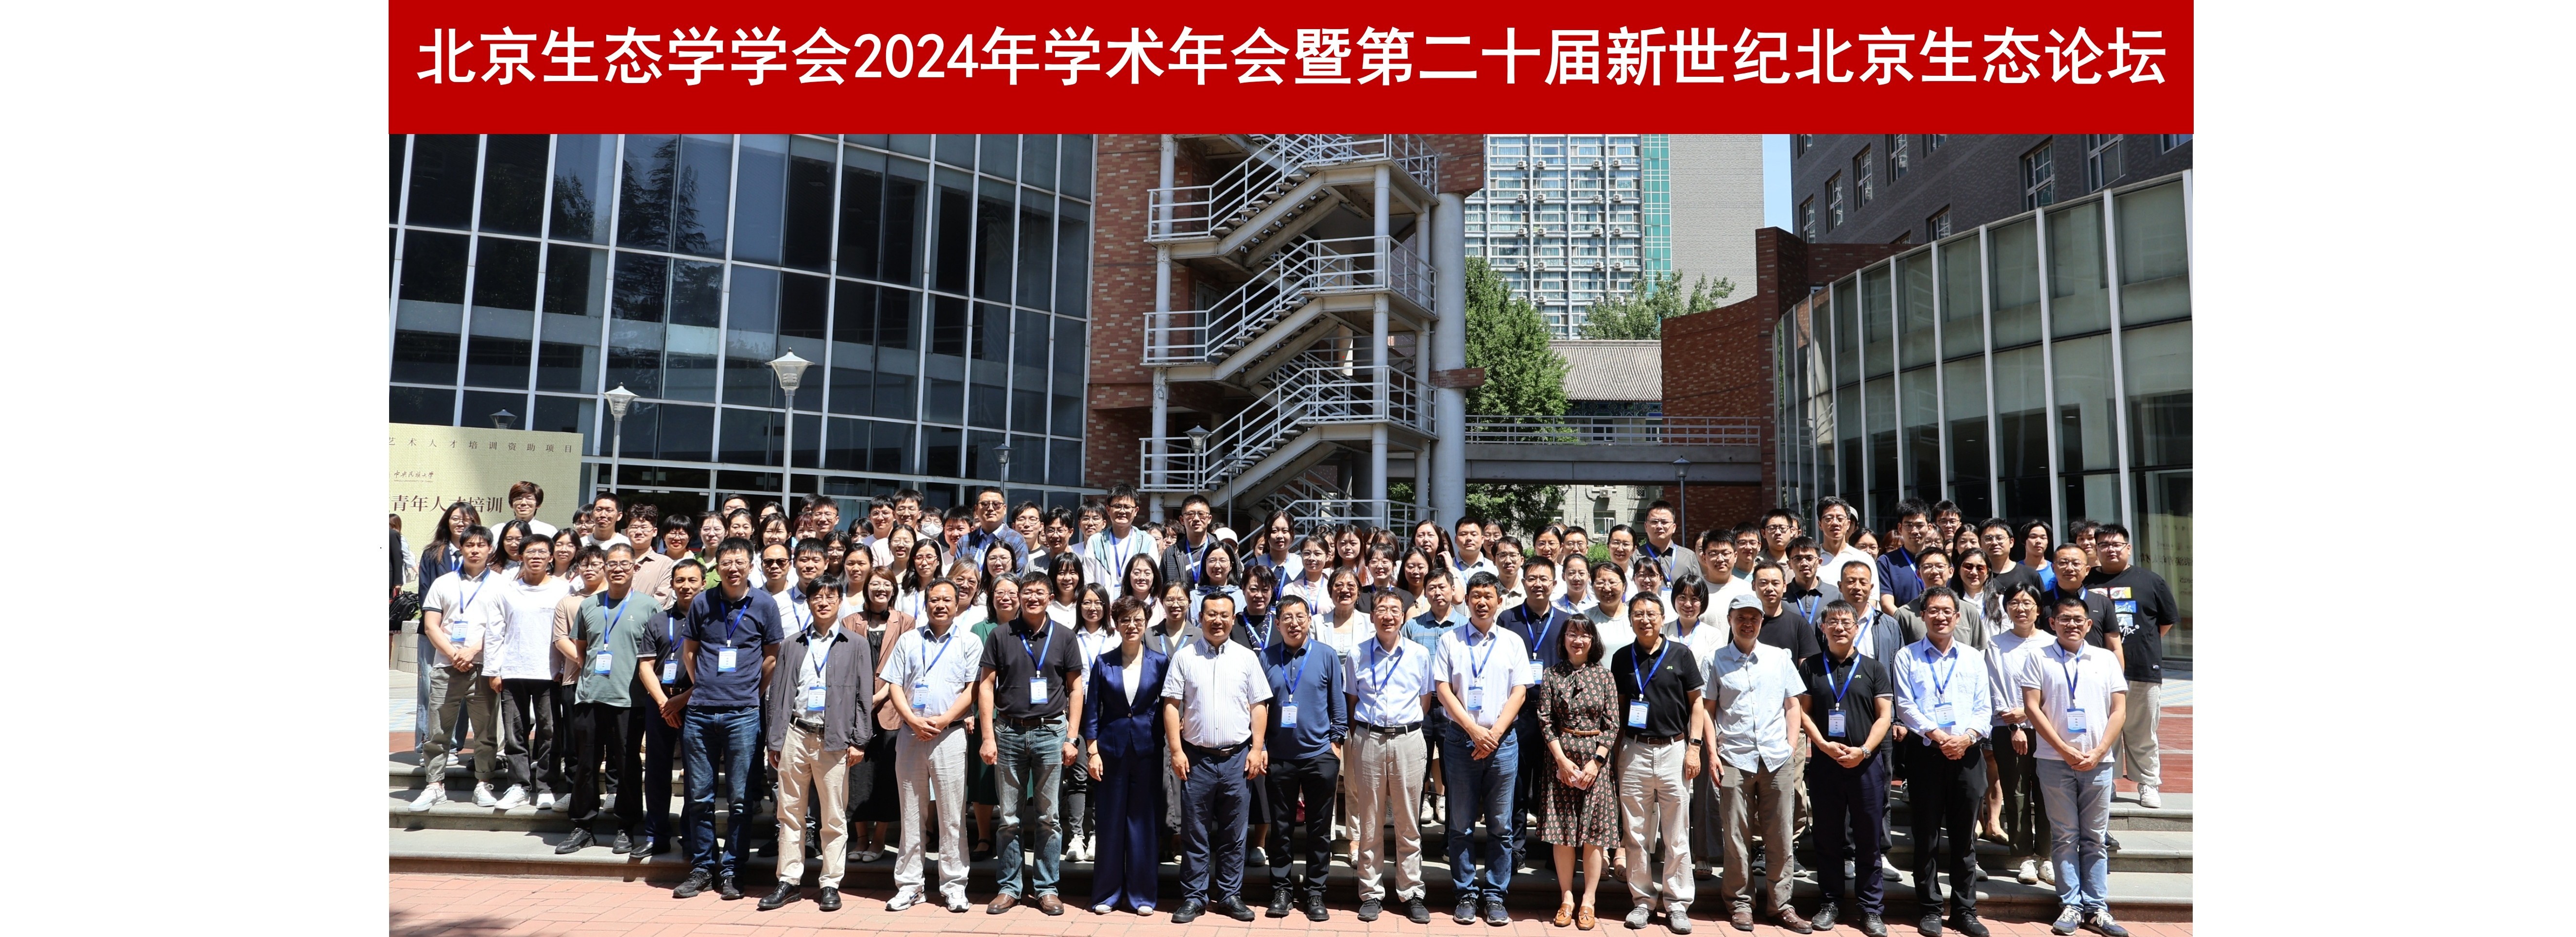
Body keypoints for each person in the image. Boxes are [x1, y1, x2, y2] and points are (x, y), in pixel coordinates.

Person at [670, 538, 786, 902]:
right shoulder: (703, 602)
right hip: (701, 712)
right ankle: (703, 867)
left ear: (751, 565)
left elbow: (772, 656)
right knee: (699, 797)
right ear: (716, 567)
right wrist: (704, 685)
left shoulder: (765, 604)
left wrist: (751, 691)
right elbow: (690, 652)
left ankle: (733, 869)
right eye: (726, 562)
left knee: (739, 799)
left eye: (739, 562)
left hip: (743, 714)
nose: (733, 568)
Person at [758, 575, 875, 913]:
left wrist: (859, 740)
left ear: (840, 602)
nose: (823, 602)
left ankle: (830, 883)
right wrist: (775, 739)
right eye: (817, 597)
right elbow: (778, 695)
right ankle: (789, 880)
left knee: (833, 815)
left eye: (830, 597)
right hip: (795, 733)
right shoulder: (792, 643)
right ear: (808, 602)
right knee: (790, 812)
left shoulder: (855, 644)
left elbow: (863, 695)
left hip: (834, 738)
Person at [976, 572, 1089, 916]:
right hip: (1009, 732)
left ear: (1050, 597)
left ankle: (1046, 888)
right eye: (1027, 592)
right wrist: (987, 736)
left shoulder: (1065, 636)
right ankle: (1009, 887)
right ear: (1019, 596)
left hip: (1051, 732)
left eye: (1040, 592)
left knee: (1048, 817)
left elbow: (1076, 689)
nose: (1032, 598)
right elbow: (986, 686)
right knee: (1009, 818)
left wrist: (1072, 737)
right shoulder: (1001, 635)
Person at [2021, 597, 2130, 937]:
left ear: (2088, 625)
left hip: (2099, 762)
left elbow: (2119, 710)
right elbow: (2032, 708)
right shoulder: (2037, 657)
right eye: (2065, 619)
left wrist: (2099, 751)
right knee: (2065, 835)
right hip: (2054, 761)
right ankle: (2071, 904)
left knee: (2095, 838)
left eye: (2078, 619)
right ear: (2052, 623)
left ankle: (2097, 908)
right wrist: (2064, 749)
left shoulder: (2105, 658)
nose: (2072, 624)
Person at [1163, 593, 1272, 924]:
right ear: (1200, 617)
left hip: (1237, 758)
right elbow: (1171, 705)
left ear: (1233, 618)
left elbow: (1259, 706)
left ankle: (1229, 895)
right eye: (1211, 614)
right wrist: (1176, 750)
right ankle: (1194, 897)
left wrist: (1257, 748)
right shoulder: (1184, 657)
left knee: (1234, 833)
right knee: (1194, 831)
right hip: (1196, 759)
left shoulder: (1246, 658)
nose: (1218, 620)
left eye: (1224, 615)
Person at [1433, 572, 1534, 926]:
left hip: (1502, 743)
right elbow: (1443, 689)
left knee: (1500, 826)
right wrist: (1474, 731)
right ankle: (1465, 892)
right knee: (1460, 824)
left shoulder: (1512, 641)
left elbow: (1520, 691)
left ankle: (1494, 895)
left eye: (1488, 596)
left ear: (1499, 601)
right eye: (1475, 595)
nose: (1481, 602)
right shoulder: (1450, 640)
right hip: (1461, 740)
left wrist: (1494, 733)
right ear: (1466, 600)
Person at [1706, 591, 1810, 933]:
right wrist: (1712, 753)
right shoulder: (1714, 660)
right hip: (1734, 757)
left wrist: (1790, 745)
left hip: (1776, 757)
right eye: (1741, 617)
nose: (1747, 623)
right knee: (1737, 835)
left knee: (1780, 834)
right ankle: (1740, 903)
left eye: (1754, 617)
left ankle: (1781, 904)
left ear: (1762, 621)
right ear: (1730, 621)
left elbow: (1793, 704)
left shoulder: (1779, 657)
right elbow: (1707, 711)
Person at [1892, 589, 1994, 937]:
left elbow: (1984, 707)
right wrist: (1938, 736)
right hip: (1926, 754)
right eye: (1933, 611)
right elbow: (1906, 706)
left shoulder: (1973, 658)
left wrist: (1965, 738)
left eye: (1947, 611)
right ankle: (1930, 908)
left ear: (1958, 617)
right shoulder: (1907, 656)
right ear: (1922, 615)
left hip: (1968, 754)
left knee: (1965, 838)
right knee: (1926, 835)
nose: (1940, 617)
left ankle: (1965, 910)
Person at [881, 579, 985, 913]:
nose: (940, 605)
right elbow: (894, 685)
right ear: (926, 604)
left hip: (950, 735)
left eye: (947, 600)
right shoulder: (909, 640)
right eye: (934, 599)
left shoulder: (969, 641)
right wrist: (912, 720)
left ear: (957, 604)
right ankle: (910, 885)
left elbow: (973, 689)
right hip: (911, 734)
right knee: (911, 813)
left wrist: (943, 721)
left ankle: (954, 885)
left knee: (951, 815)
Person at [552, 544, 662, 855]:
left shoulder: (649, 607)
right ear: (604, 568)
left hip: (630, 700)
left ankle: (626, 827)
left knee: (627, 765)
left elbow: (654, 655)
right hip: (590, 696)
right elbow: (582, 650)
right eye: (611, 564)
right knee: (586, 765)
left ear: (635, 568)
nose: (617, 569)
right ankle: (582, 827)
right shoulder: (589, 605)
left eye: (624, 564)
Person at [1796, 600, 1895, 937]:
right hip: (1826, 763)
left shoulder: (1874, 668)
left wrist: (1864, 750)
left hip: (1866, 764)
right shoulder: (1811, 667)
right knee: (1827, 837)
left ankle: (1871, 909)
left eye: (1846, 622)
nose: (1839, 627)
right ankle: (1829, 902)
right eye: (1833, 622)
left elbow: (1884, 716)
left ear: (1856, 627)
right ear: (1823, 628)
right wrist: (1823, 745)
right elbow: (1802, 712)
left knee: (1868, 839)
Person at [1609, 593, 1705, 934]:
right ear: (1630, 619)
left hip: (1674, 750)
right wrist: (1617, 752)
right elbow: (1619, 709)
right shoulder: (1622, 657)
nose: (1645, 619)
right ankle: (1642, 901)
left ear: (1663, 617)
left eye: (1651, 614)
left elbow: (1697, 704)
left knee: (1676, 833)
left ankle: (1677, 903)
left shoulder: (1680, 654)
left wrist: (1694, 748)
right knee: (1635, 832)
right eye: (1638, 614)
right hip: (1634, 750)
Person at [1344, 590, 1439, 924]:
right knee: (1369, 820)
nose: (1388, 616)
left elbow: (1425, 701)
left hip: (1408, 739)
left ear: (1403, 616)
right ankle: (1371, 892)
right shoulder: (1357, 654)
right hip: (1368, 738)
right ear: (1372, 616)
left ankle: (1411, 891)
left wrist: (1403, 728)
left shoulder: (1419, 654)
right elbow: (1352, 702)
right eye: (1381, 610)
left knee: (1408, 820)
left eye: (1394, 610)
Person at [1255, 596, 1346, 920]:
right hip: (1279, 757)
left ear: (1309, 620)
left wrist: (1335, 745)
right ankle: (1281, 889)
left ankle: (1316, 891)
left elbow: (1337, 704)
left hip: (1319, 755)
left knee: (1319, 829)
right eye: (1287, 618)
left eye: (1300, 616)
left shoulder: (1326, 655)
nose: (1294, 623)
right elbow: (1259, 705)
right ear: (1277, 623)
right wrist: (1262, 746)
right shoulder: (1266, 657)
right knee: (1281, 829)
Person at [1084, 596, 1172, 916]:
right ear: (1116, 623)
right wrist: (1092, 750)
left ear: (1146, 623)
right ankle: (1107, 894)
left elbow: (1168, 706)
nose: (1131, 626)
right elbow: (1092, 710)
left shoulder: (1160, 662)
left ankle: (1142, 895)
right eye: (1125, 620)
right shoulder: (1104, 662)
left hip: (1148, 750)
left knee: (1143, 823)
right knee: (1110, 822)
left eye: (1137, 620)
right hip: (1111, 751)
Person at [2082, 525, 2178, 811]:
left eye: (2117, 544)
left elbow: (2165, 623)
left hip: (2142, 668)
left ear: (2128, 548)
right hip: (2095, 671)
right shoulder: (2087, 580)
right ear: (2096, 549)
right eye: (2104, 545)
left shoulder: (2151, 581)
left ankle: (2148, 783)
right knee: (2102, 729)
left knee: (2142, 731)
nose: (2110, 549)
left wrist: (2137, 645)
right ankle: (2107, 782)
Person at [1534, 613, 1619, 931]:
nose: (1578, 640)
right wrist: (1561, 760)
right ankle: (1567, 897)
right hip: (1562, 762)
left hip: (1595, 764)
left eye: (1584, 635)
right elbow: (1545, 720)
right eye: (1572, 634)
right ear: (1564, 639)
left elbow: (1612, 724)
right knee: (1563, 833)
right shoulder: (1552, 675)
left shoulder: (1605, 676)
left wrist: (1596, 763)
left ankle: (1589, 900)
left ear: (1592, 640)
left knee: (1594, 834)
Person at [412, 525, 503, 811]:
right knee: (438, 731)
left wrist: (473, 650)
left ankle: (483, 783)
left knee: (485, 732)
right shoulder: (444, 583)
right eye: (469, 545)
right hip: (446, 666)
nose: (475, 550)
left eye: (481, 545)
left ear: (490, 550)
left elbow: (504, 628)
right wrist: (454, 654)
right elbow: (431, 626)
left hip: (484, 667)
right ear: (461, 549)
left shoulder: (502, 585)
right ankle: (434, 785)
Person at [487, 535, 575, 813]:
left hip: (550, 673)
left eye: (542, 552)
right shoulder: (506, 590)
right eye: (530, 551)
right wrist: (494, 671)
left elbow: (570, 631)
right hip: (513, 670)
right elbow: (495, 632)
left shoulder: (564, 589)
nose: (536, 556)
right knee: (515, 732)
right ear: (520, 556)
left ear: (551, 557)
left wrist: (565, 668)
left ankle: (546, 787)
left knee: (550, 732)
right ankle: (519, 785)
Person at [1982, 583, 2050, 885]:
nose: (2020, 609)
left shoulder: (2052, 643)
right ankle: (2024, 858)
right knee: (2017, 792)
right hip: (2009, 730)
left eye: (2027, 603)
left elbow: (2057, 689)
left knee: (2048, 793)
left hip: (2048, 730)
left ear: (2038, 608)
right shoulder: (1996, 645)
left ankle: (2047, 856)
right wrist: (2015, 725)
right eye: (2014, 603)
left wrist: (2029, 713)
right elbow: (1994, 687)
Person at [842, 568, 911, 864]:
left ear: (893, 589)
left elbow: (907, 667)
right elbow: (844, 664)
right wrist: (861, 700)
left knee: (885, 776)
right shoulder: (850, 622)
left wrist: (880, 696)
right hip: (855, 709)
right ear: (866, 588)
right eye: (875, 584)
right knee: (857, 774)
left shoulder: (906, 622)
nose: (880, 589)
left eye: (886, 584)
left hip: (891, 708)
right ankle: (860, 838)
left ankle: (880, 839)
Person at [634, 558, 702, 856]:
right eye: (680, 581)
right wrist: (665, 704)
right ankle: (656, 835)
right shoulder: (658, 620)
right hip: (660, 702)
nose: (686, 586)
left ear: (703, 584)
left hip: (696, 702)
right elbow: (645, 667)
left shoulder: (711, 621)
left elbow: (711, 670)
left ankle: (691, 838)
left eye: (692, 580)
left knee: (695, 772)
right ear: (672, 584)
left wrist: (682, 699)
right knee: (657, 771)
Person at [1061, 583, 1119, 864]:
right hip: (1079, 712)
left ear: (1106, 607)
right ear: (1079, 606)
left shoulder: (1116, 637)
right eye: (1087, 602)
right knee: (1078, 775)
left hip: (1110, 713)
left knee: (1102, 775)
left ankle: (1097, 834)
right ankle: (1076, 836)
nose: (1092, 608)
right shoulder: (1069, 637)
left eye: (1098, 603)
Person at [1812, 498, 1878, 612]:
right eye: (1828, 519)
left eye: (1840, 519)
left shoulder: (1864, 558)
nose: (1835, 523)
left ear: (1848, 524)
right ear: (1820, 524)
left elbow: (1872, 600)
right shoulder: (1812, 560)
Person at [1874, 500, 1934, 615]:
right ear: (1900, 528)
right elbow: (1886, 603)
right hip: (1902, 624)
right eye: (1909, 525)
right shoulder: (1886, 562)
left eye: (1920, 525)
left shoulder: (1940, 561)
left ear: (1930, 528)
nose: (1915, 531)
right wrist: (1907, 622)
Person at [1752, 561, 1822, 659]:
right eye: (1763, 583)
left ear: (1785, 586)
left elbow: (1807, 665)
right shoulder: (1746, 624)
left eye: (1775, 583)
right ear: (1754, 586)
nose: (1770, 589)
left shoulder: (1800, 625)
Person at [1160, 495, 1222, 591]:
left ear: (1209, 519)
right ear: (1182, 520)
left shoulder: (1222, 551)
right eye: (1190, 514)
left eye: (1201, 514)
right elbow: (1161, 589)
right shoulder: (1171, 554)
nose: (1196, 519)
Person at [1637, 502, 1698, 583]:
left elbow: (1699, 589)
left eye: (1664, 522)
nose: (1659, 526)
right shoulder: (1635, 556)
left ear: (1674, 527)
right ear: (1646, 526)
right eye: (1654, 522)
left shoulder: (1689, 557)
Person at [1694, 529, 1753, 614]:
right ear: (1704, 558)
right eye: (1713, 554)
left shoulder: (1747, 590)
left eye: (1726, 553)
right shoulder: (1696, 590)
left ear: (1735, 556)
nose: (1720, 559)